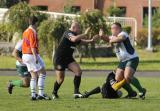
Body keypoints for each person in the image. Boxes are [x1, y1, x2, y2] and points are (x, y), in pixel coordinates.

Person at [99, 22, 146, 99]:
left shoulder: (123, 33)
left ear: (119, 29)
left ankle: (141, 91)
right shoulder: (113, 37)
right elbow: (107, 39)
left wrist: (111, 40)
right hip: (123, 61)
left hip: (132, 58)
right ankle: (131, 93)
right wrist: (101, 36)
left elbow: (121, 39)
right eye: (111, 28)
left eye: (114, 28)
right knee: (118, 78)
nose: (112, 30)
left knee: (127, 77)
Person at [52, 21, 98, 99]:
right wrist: (85, 34)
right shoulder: (68, 32)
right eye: (78, 28)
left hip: (68, 58)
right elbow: (74, 39)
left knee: (78, 72)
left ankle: (76, 92)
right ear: (74, 27)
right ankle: (54, 92)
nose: (79, 30)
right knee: (60, 79)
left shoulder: (75, 35)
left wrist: (91, 41)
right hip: (60, 58)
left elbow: (81, 42)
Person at [22, 16, 50, 100]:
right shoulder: (32, 31)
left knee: (33, 76)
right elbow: (32, 45)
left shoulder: (25, 31)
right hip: (31, 54)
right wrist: (35, 57)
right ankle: (41, 94)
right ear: (36, 23)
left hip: (25, 55)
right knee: (43, 72)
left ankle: (33, 95)